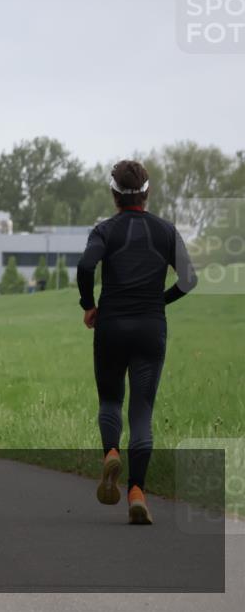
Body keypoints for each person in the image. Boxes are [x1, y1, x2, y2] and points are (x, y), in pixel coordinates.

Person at [77, 160, 196, 525]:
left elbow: (85, 267)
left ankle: (111, 452)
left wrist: (89, 305)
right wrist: (159, 301)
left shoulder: (105, 230)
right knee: (142, 412)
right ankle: (137, 493)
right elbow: (189, 280)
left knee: (111, 400)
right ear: (147, 193)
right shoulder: (166, 231)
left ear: (114, 194)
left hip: (111, 326)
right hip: (150, 329)